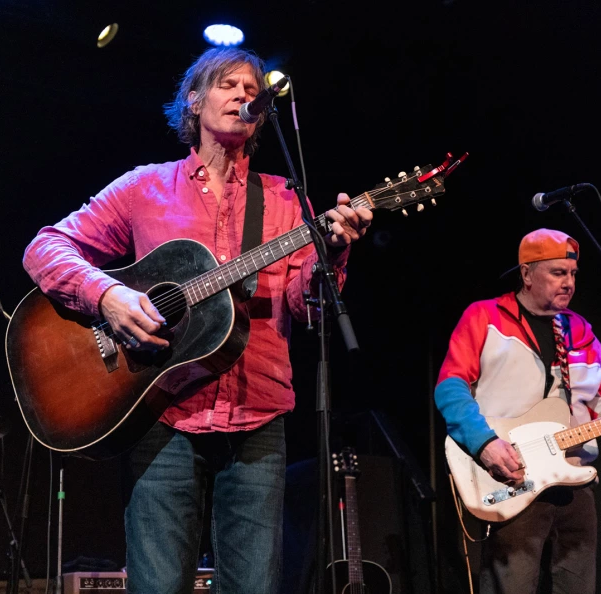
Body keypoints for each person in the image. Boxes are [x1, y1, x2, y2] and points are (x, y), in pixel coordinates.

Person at [22, 47, 373, 594]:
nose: (244, 96)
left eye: (252, 90)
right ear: (194, 100)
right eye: (228, 85)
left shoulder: (285, 201)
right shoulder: (145, 187)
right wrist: (109, 296)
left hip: (258, 416)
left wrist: (334, 251)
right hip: (162, 413)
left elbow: (305, 306)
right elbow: (46, 247)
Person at [434, 228, 601, 594]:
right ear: (527, 274)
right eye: (558, 272)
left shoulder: (580, 330)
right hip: (512, 475)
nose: (569, 282)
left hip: (574, 480)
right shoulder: (485, 316)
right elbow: (450, 387)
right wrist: (485, 443)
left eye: (573, 273)